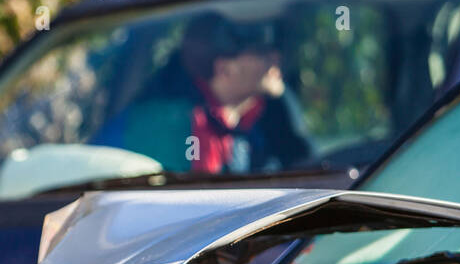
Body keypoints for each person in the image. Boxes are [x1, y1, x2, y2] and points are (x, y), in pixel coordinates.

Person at [94, 13, 312, 174]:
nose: (276, 57)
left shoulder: (261, 118)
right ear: (224, 69)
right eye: (260, 52)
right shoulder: (164, 125)